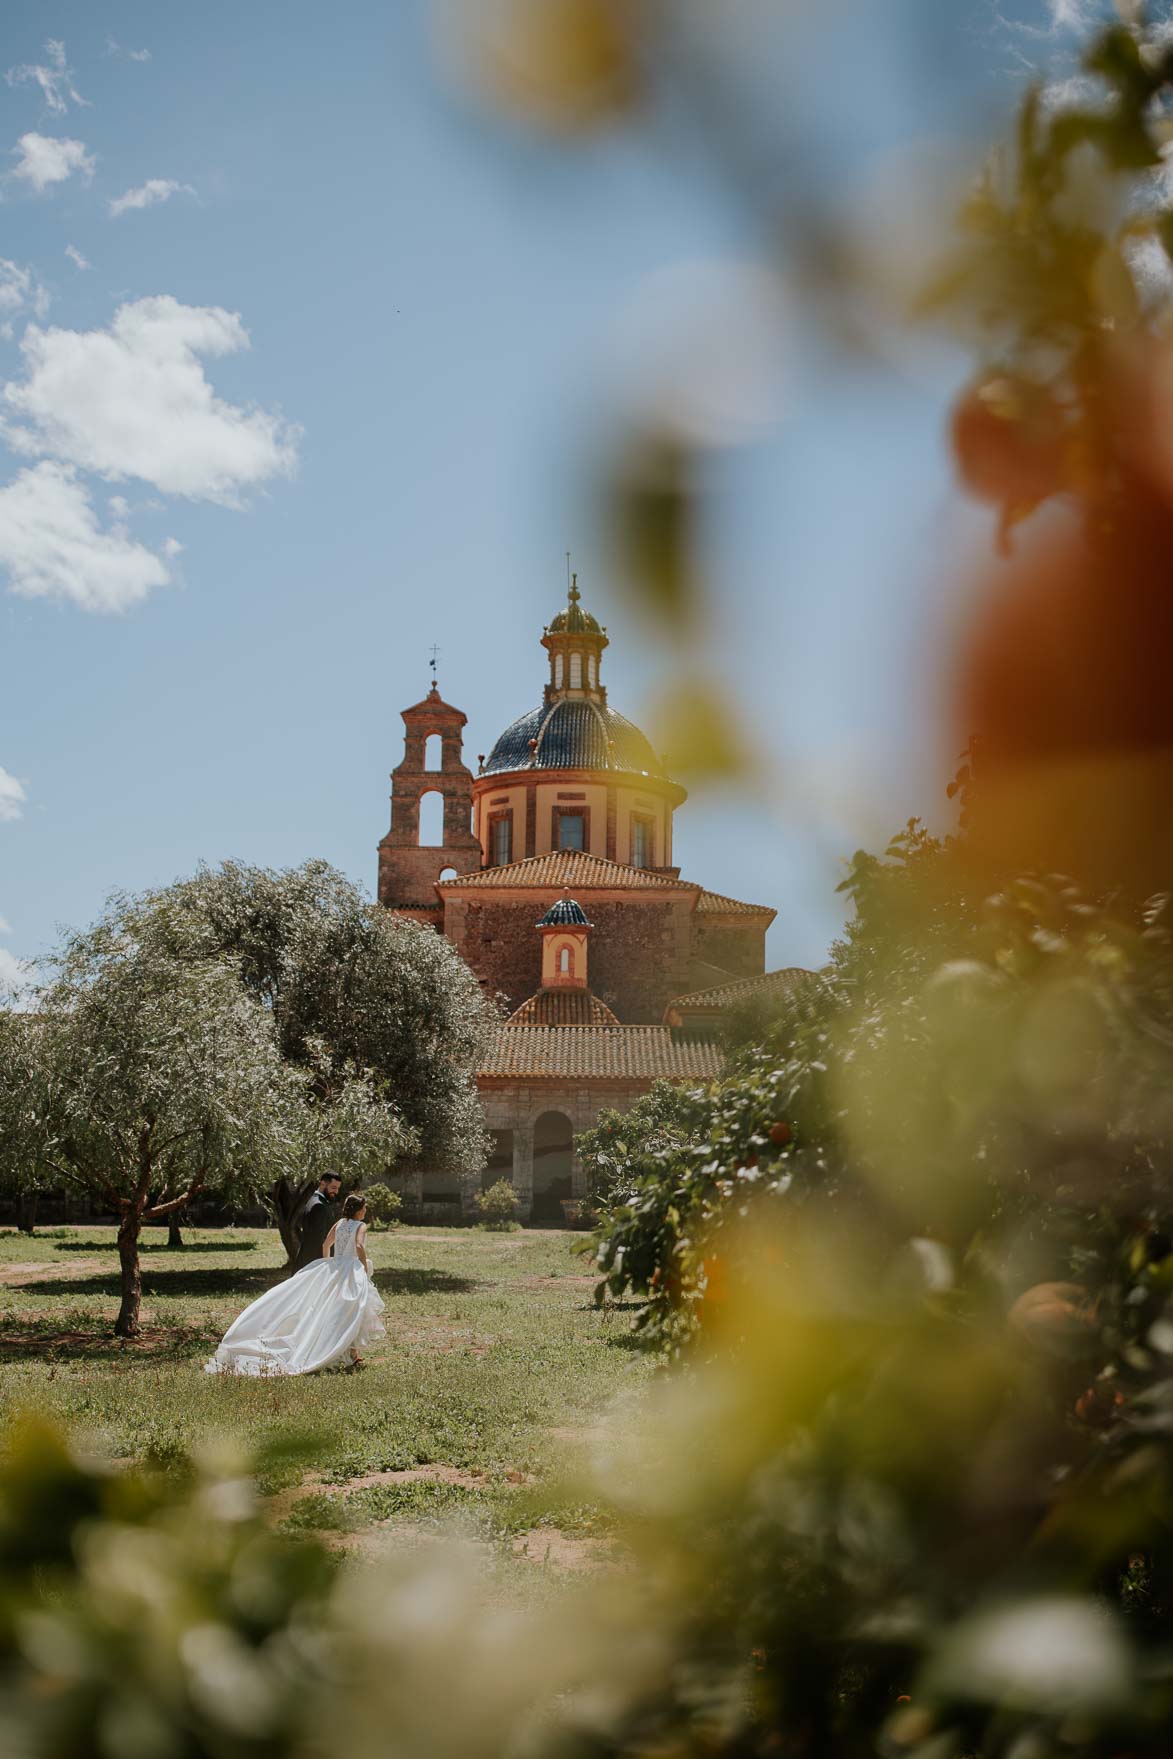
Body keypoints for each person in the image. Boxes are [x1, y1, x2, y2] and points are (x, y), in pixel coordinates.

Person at [205, 1193, 385, 1376]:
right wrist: (362, 1266)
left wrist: (330, 1264)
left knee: (333, 1310)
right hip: (350, 1270)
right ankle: (346, 1351)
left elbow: (325, 1244)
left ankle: (351, 1353)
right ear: (358, 1210)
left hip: (335, 1268)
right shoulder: (360, 1226)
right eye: (364, 1208)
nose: (365, 1211)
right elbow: (359, 1247)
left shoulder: (339, 1224)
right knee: (351, 1311)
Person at [292, 1170, 342, 1273]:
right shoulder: (319, 1206)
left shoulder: (314, 1200)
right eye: (333, 1188)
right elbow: (318, 1241)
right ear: (323, 1184)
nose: (336, 1192)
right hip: (314, 1263)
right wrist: (325, 1266)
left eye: (338, 1188)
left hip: (308, 1259)